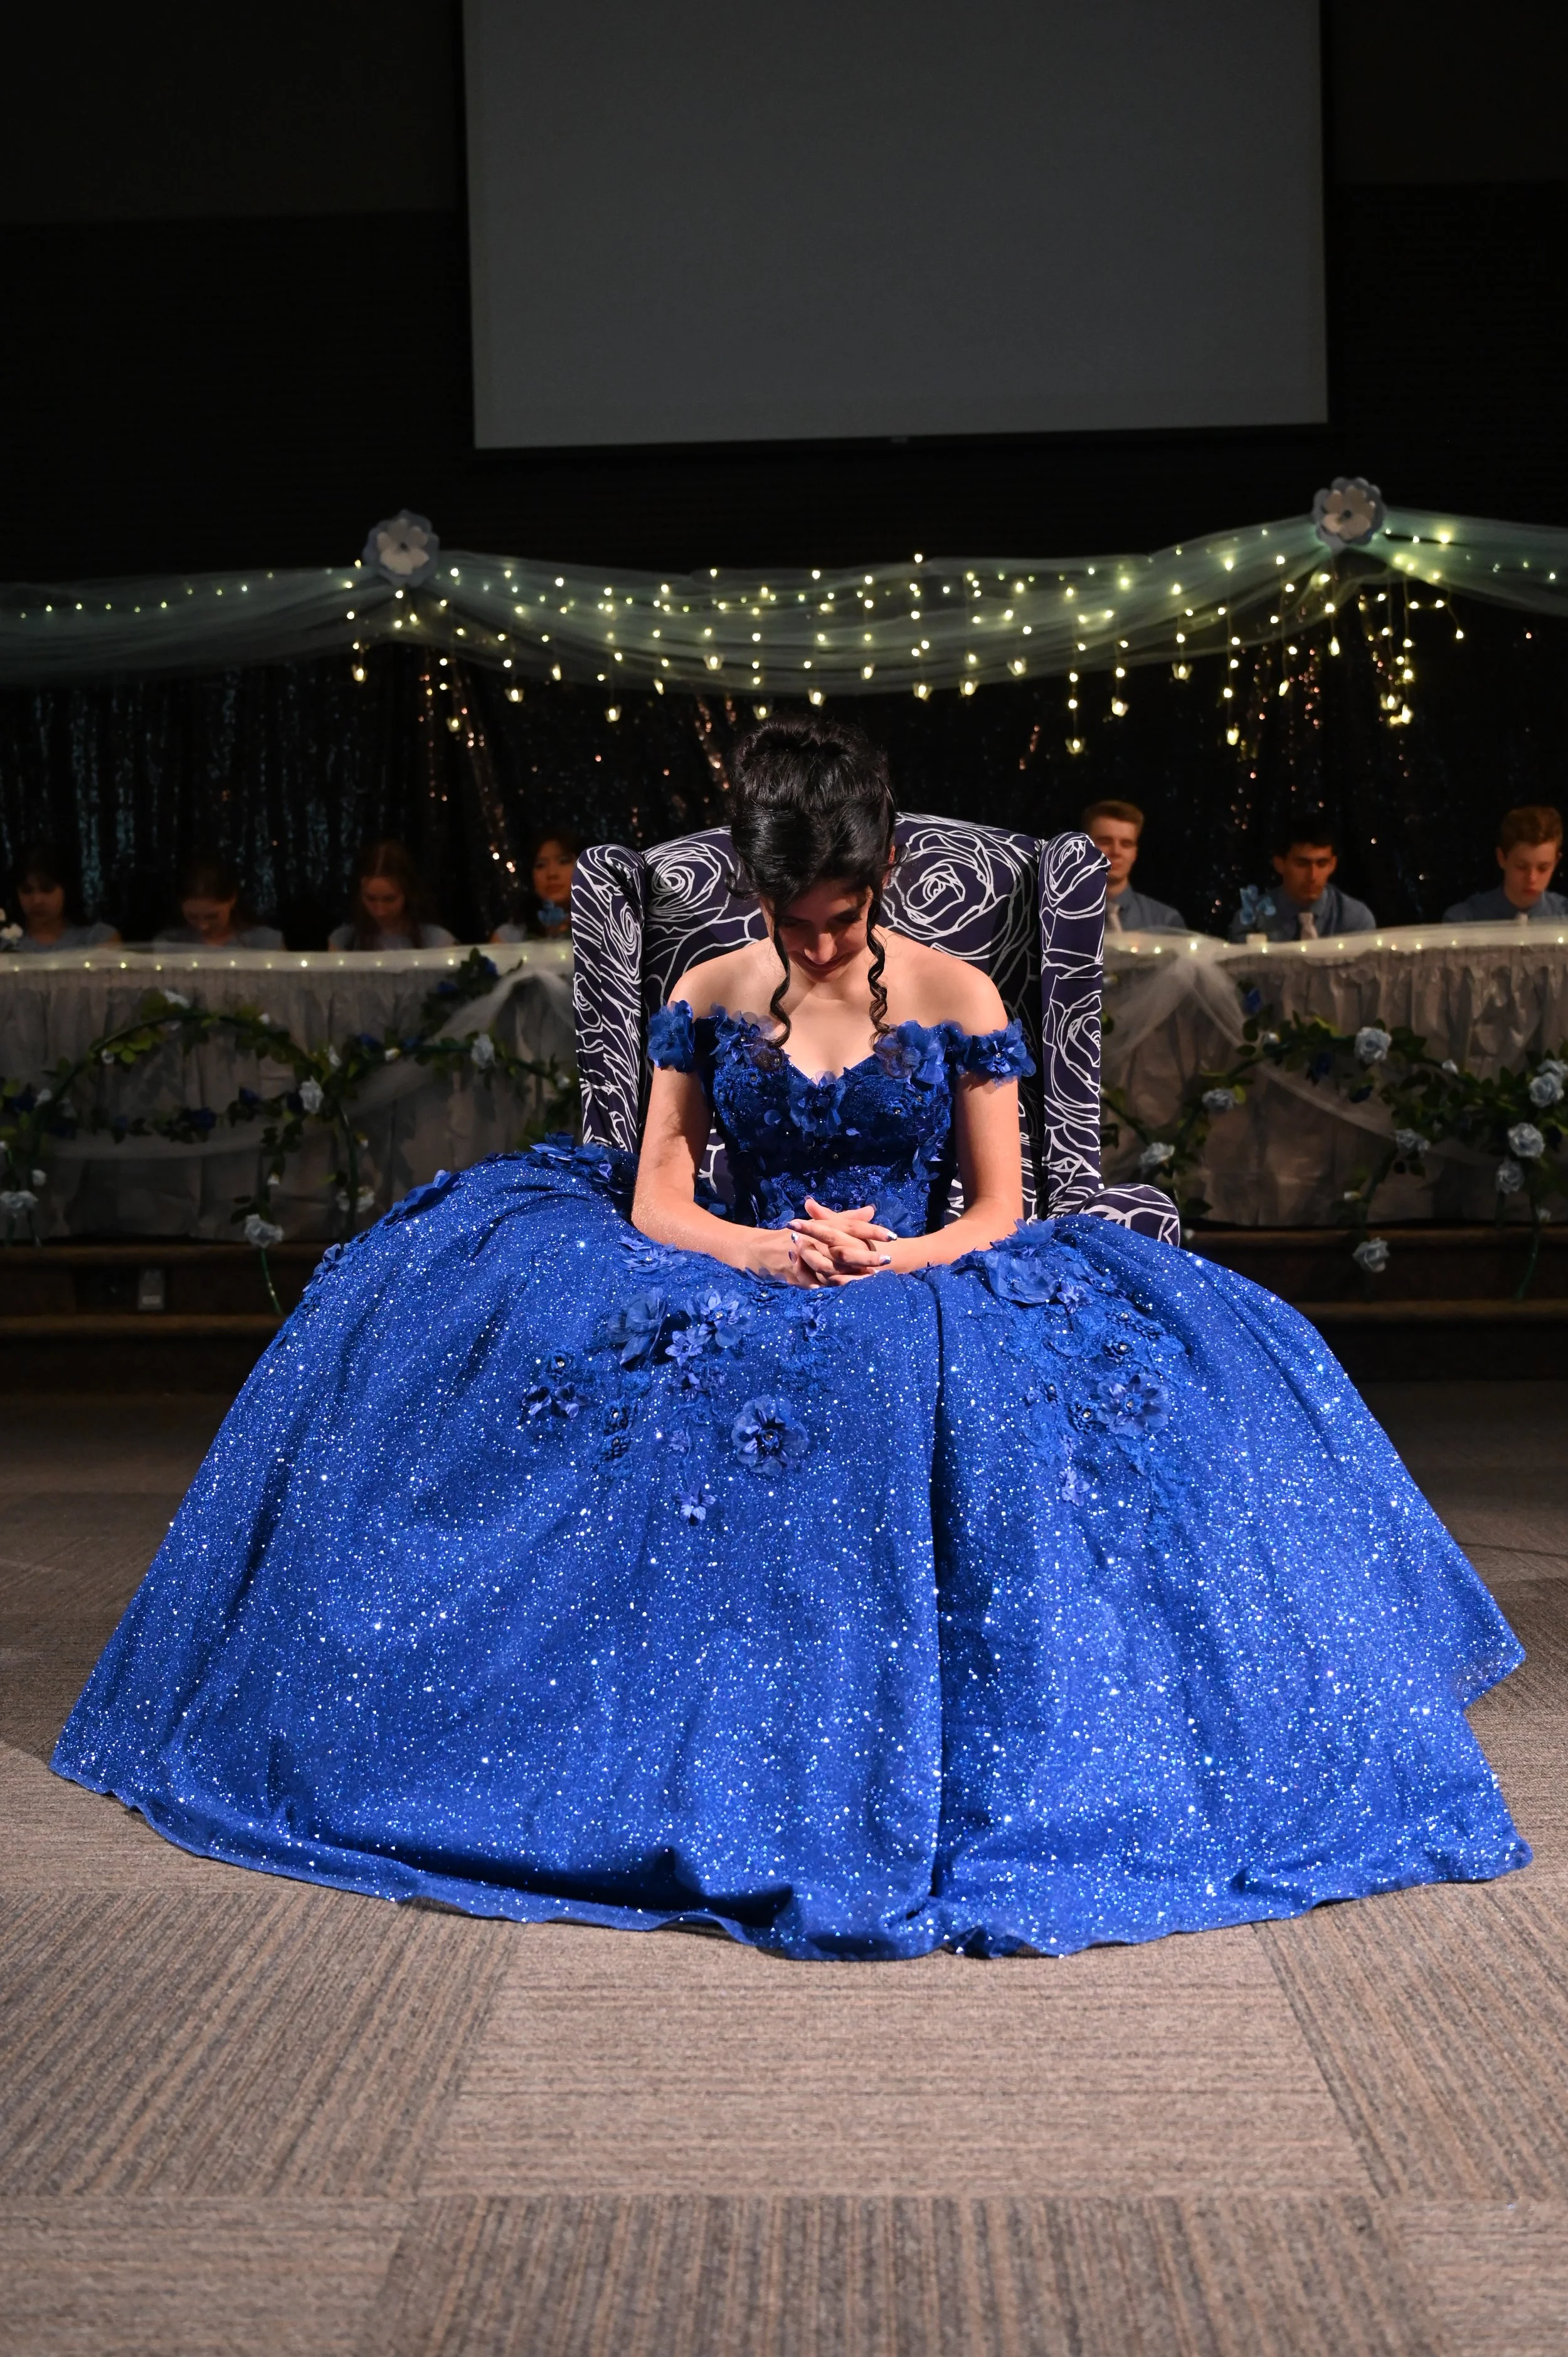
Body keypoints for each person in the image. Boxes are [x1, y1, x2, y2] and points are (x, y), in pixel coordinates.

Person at [53, 716, 1526, 1961]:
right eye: (788, 916)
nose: (813, 941)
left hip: (914, 1261)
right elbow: (653, 1190)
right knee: (523, 1349)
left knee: (1047, 1388)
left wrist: (897, 1248)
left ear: (882, 877)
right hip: (738, 1254)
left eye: (837, 914)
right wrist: (759, 1242)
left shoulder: (956, 989)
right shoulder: (708, 987)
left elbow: (1009, 1199)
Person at [1229, 812, 1375, 942]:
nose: (1312, 876)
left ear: (1333, 865)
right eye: (1302, 864)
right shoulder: (1252, 920)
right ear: (1280, 864)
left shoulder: (1354, 918)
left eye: (1322, 864)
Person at [1443, 804, 1568, 924]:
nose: (1532, 879)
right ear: (1502, 858)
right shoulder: (1463, 921)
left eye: (1543, 868)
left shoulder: (1565, 916)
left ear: (1556, 862)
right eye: (1521, 866)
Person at [329, 839, 455, 952]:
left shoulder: (438, 941)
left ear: (408, 893)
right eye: (371, 899)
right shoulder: (343, 940)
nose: (380, 911)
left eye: (390, 899)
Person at [1081, 801, 1186, 932]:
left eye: (1126, 844)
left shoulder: (1165, 922)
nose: (1116, 852)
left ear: (1135, 853)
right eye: (1105, 841)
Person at [154, 853, 283, 951]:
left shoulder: (265, 943)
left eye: (212, 916)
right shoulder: (169, 944)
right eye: (192, 917)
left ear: (233, 899)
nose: (203, 926)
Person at [8, 841, 119, 952]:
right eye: (27, 891)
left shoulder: (98, 938)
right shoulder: (5, 943)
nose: (37, 901)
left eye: (47, 889)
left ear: (67, 889)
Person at [493, 829, 581, 942]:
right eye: (541, 865)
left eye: (563, 862)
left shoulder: (607, 931)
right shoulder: (508, 937)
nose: (552, 873)